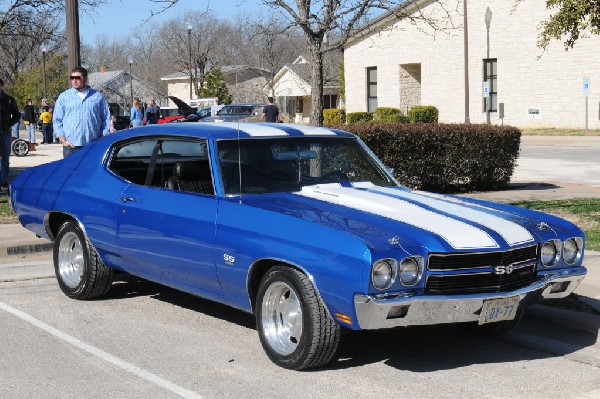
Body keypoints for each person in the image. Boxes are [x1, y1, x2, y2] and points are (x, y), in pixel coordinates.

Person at [53, 66, 110, 158]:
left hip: (92, 145)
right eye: (72, 78)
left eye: (77, 78)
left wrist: (103, 138)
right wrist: (63, 140)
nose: (74, 81)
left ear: (85, 79)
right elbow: (57, 120)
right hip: (70, 146)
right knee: (70, 172)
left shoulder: (97, 97)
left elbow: (106, 118)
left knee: (90, 172)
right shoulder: (64, 97)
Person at [0, 79, 21, 190]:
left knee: (5, 158)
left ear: (2, 86)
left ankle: (4, 181)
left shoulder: (9, 100)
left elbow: (17, 115)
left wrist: (10, 124)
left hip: (6, 132)